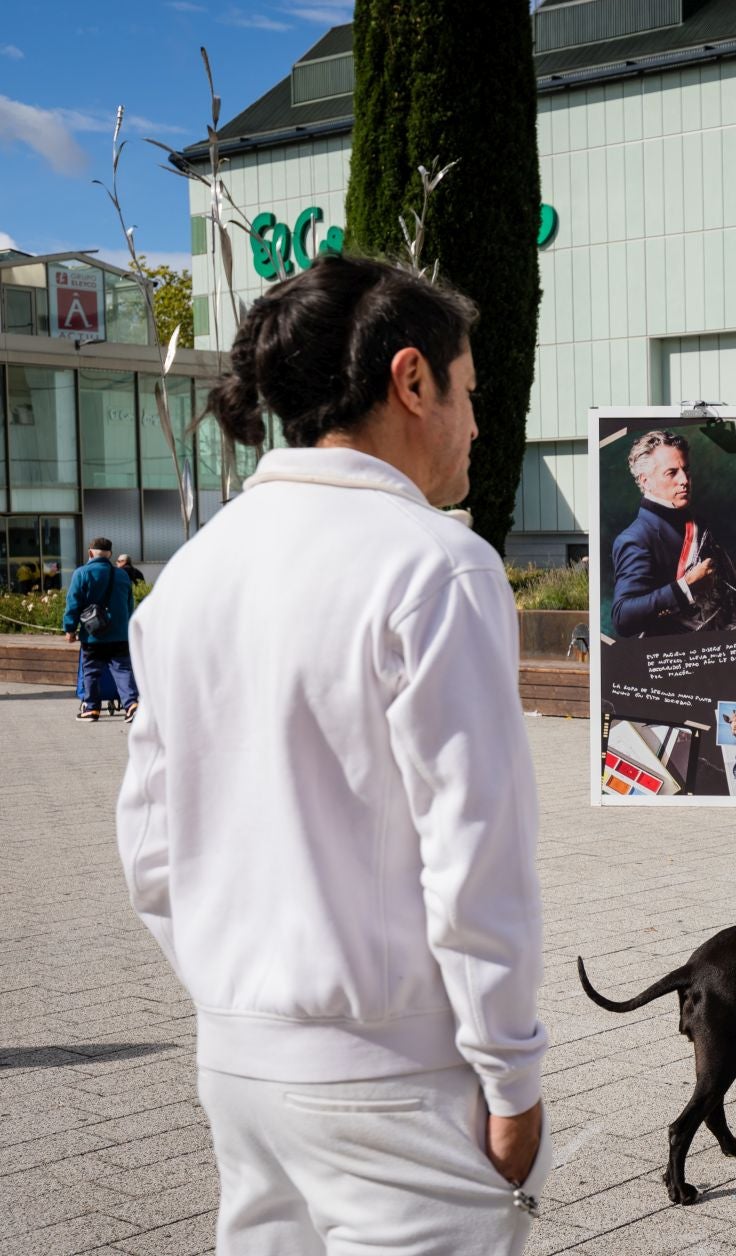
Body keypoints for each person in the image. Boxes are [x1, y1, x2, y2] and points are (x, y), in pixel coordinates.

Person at [116, 254, 550, 1255]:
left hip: (240, 1066)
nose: (477, 424)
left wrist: (243, 991)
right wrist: (511, 1073)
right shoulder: (437, 565)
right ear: (412, 380)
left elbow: (147, 843)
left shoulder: (193, 574)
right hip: (397, 1079)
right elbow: (476, 848)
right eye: (469, 392)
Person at [609, 429, 716, 636]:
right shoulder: (635, 538)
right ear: (645, 481)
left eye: (686, 470)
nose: (684, 480)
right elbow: (622, 617)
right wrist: (687, 586)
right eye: (672, 473)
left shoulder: (697, 521)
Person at [63, 536, 138, 722]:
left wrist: (70, 629)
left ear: (90, 553)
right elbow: (129, 605)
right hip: (120, 634)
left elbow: (73, 603)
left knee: (91, 671)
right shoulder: (122, 575)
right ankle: (131, 705)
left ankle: (91, 709)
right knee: (122, 670)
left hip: (92, 634)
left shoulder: (81, 573)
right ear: (110, 554)